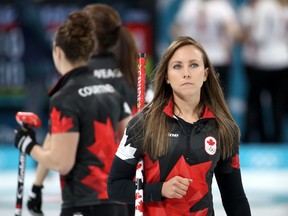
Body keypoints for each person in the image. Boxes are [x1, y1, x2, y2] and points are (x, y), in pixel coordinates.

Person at [108, 36, 251, 216]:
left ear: (206, 73)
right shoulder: (143, 123)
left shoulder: (224, 128)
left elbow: (234, 198)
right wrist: (159, 190)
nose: (186, 73)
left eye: (193, 65)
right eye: (177, 66)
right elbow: (114, 187)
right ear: (167, 77)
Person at [14, 10, 131, 216]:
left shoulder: (64, 97)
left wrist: (27, 145)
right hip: (117, 203)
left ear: (58, 52)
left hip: (83, 202)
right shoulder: (111, 92)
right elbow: (132, 144)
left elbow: (62, 163)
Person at [238, 0, 288, 143]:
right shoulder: (280, 7)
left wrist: (243, 36)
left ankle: (260, 138)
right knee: (278, 104)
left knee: (255, 100)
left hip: (265, 62)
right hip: (283, 60)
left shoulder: (264, 6)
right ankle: (277, 139)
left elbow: (259, 36)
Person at [171, 0, 241, 98]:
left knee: (216, 101)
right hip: (196, 61)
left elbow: (234, 32)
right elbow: (176, 29)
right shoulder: (190, 5)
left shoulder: (222, 6)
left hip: (216, 60)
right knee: (195, 100)